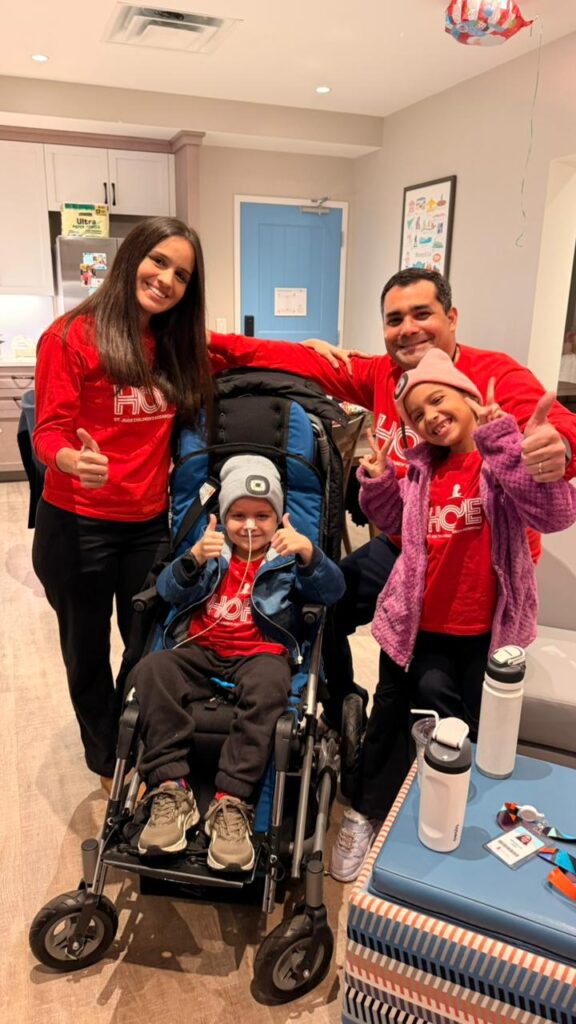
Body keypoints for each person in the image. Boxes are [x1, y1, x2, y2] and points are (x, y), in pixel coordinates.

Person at [207, 269, 576, 731]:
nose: (408, 329)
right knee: (323, 600)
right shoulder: (382, 373)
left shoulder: (493, 375)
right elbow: (290, 360)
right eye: (395, 319)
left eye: (422, 314)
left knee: (436, 689)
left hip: (479, 556)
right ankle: (343, 703)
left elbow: (559, 430)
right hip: (405, 545)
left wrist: (558, 449)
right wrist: (210, 342)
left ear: (452, 318)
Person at [329, 348, 576, 881]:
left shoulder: (496, 463)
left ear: (467, 395)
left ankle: (460, 811)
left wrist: (506, 446)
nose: (430, 418)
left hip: (483, 633)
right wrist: (379, 481)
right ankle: (368, 809)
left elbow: (554, 513)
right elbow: (396, 523)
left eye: (438, 400)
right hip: (412, 625)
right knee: (390, 713)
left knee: (469, 728)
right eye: (417, 415)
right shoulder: (422, 469)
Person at [32, 216, 214, 791]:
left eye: (182, 275)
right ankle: (106, 761)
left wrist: (321, 353)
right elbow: (47, 430)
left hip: (147, 526)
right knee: (86, 653)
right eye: (158, 261)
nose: (166, 280)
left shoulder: (176, 344)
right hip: (77, 527)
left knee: (146, 644)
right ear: (131, 256)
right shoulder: (69, 337)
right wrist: (68, 459)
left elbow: (248, 349)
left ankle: (131, 740)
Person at [129, 455, 345, 871]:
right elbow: (168, 591)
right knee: (153, 669)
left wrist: (308, 553)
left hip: (259, 654)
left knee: (271, 683)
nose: (249, 526)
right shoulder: (211, 550)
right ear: (223, 517)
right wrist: (192, 560)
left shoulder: (286, 556)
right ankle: (171, 790)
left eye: (262, 516)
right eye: (238, 515)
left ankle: (231, 800)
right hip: (201, 650)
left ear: (278, 518)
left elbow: (332, 591)